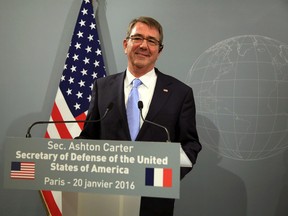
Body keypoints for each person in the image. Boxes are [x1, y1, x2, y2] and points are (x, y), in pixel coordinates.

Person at [77, 16, 202, 216]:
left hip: (154, 201)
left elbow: (190, 145)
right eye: (137, 38)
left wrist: (164, 177)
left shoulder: (180, 93)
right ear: (126, 44)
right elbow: (88, 137)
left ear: (159, 51)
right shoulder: (102, 87)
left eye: (152, 41)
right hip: (104, 198)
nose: (144, 45)